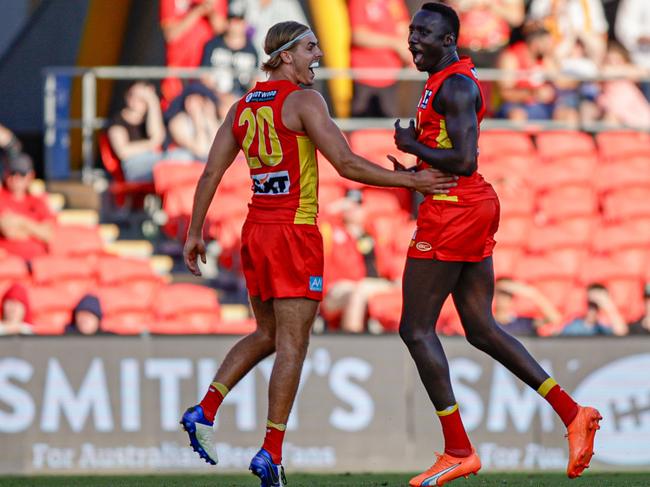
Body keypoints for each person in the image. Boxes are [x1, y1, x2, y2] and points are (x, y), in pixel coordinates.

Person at [179, 20, 456, 487]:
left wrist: (194, 232)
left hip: (256, 231)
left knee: (267, 333)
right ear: (285, 54)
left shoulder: (242, 108)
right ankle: (271, 453)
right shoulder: (305, 100)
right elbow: (346, 163)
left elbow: (209, 174)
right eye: (310, 48)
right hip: (294, 231)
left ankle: (204, 410)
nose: (318, 57)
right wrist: (413, 181)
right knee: (293, 343)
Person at [392, 4, 601, 486]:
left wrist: (413, 146)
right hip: (463, 204)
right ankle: (573, 413)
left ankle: (458, 449)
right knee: (482, 329)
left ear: (449, 40)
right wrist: (418, 172)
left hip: (456, 207)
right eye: (411, 31)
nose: (412, 40)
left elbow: (464, 159)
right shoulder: (441, 80)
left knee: (416, 329)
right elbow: (452, 153)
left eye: (423, 32)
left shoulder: (458, 85)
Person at [107, 82, 190, 181]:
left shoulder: (149, 118)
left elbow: (158, 137)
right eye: (132, 95)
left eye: (142, 98)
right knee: (173, 164)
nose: (135, 101)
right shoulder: (118, 120)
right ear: (126, 96)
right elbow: (123, 151)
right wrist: (151, 143)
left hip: (155, 160)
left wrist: (152, 101)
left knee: (184, 156)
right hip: (134, 166)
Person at [348, 0, 412, 117]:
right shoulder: (359, 2)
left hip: (392, 77)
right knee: (362, 130)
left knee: (390, 129)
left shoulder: (395, 2)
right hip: (364, 77)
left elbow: (404, 27)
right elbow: (358, 35)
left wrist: (411, 53)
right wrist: (394, 43)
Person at [159, 0, 228, 103]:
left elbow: (222, 29)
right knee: (172, 109)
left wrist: (210, 11)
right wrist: (198, 11)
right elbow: (171, 35)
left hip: (205, 68)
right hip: (176, 70)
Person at [200, 5, 259, 119]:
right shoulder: (212, 45)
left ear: (245, 23)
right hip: (215, 97)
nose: (234, 24)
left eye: (239, 20)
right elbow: (205, 77)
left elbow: (254, 81)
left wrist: (244, 100)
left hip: (243, 100)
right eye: (231, 20)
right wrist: (221, 96)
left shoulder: (252, 49)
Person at [0, 154, 54, 261]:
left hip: (38, 263)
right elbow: (10, 232)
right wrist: (36, 230)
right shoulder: (1, 197)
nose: (16, 178)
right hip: (12, 265)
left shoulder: (38, 201)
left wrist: (21, 221)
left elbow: (48, 235)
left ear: (30, 176)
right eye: (12, 173)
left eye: (21, 174)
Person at [165, 83, 221, 161]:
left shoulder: (211, 117)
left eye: (200, 100)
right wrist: (197, 118)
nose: (195, 104)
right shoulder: (177, 122)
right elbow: (201, 151)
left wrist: (211, 118)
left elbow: (219, 149)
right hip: (185, 161)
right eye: (191, 100)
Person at [494, 277, 561, 337]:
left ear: (513, 297)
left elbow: (555, 319)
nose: (501, 298)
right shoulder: (488, 322)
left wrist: (533, 294)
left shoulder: (522, 323)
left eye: (507, 294)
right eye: (499, 293)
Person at [560, 284, 627, 336]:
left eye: (597, 305)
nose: (593, 310)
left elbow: (621, 332)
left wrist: (607, 305)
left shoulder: (601, 328)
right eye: (591, 304)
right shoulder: (574, 328)